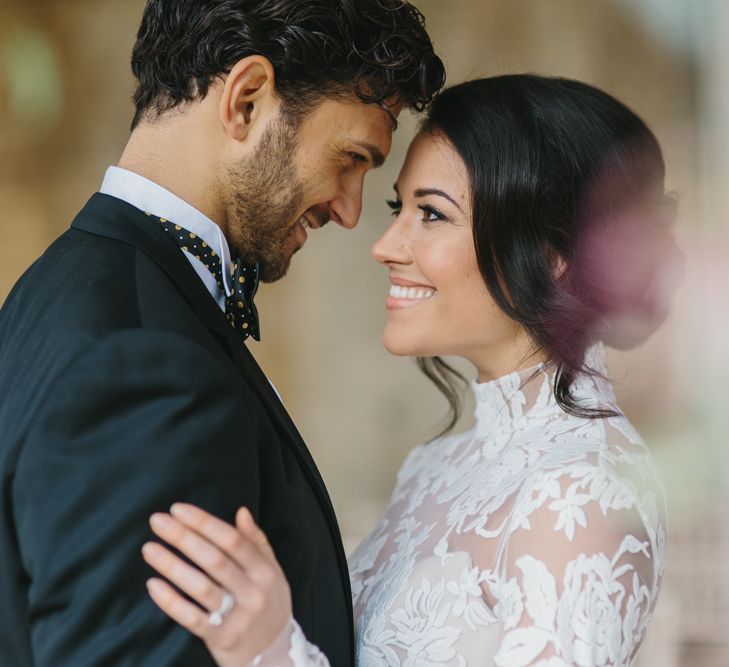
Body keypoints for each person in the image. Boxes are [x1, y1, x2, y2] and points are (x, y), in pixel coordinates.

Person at [143, 75, 681, 666]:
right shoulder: (434, 466)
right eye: (401, 207)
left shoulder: (583, 494)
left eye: (431, 213)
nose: (385, 245)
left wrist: (270, 650)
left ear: (552, 255)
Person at [0, 1, 444, 665]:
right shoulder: (145, 363)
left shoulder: (58, 286)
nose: (349, 210)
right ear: (246, 99)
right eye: (350, 157)